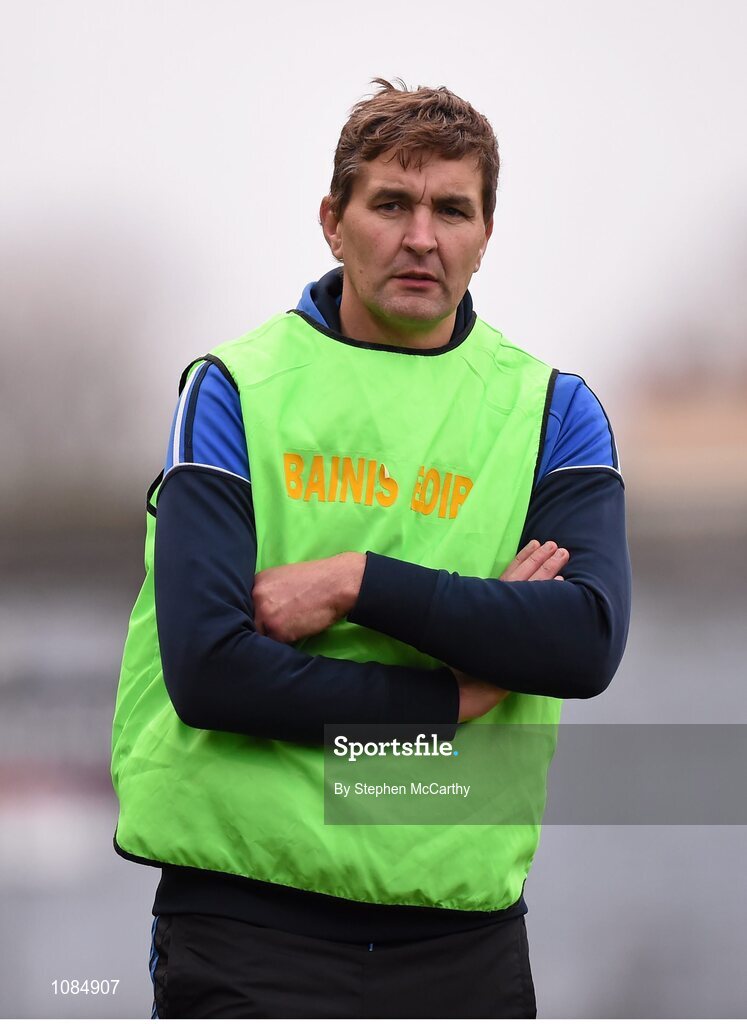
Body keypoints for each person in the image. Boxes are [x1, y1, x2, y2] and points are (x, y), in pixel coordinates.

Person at [111, 78, 631, 1018]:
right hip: (249, 924)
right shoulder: (235, 389)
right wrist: (454, 692)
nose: (421, 236)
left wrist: (358, 583)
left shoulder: (552, 411)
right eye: (391, 202)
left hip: (461, 938)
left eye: (451, 209)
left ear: (485, 232)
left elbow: (582, 641)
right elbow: (210, 671)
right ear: (333, 221)